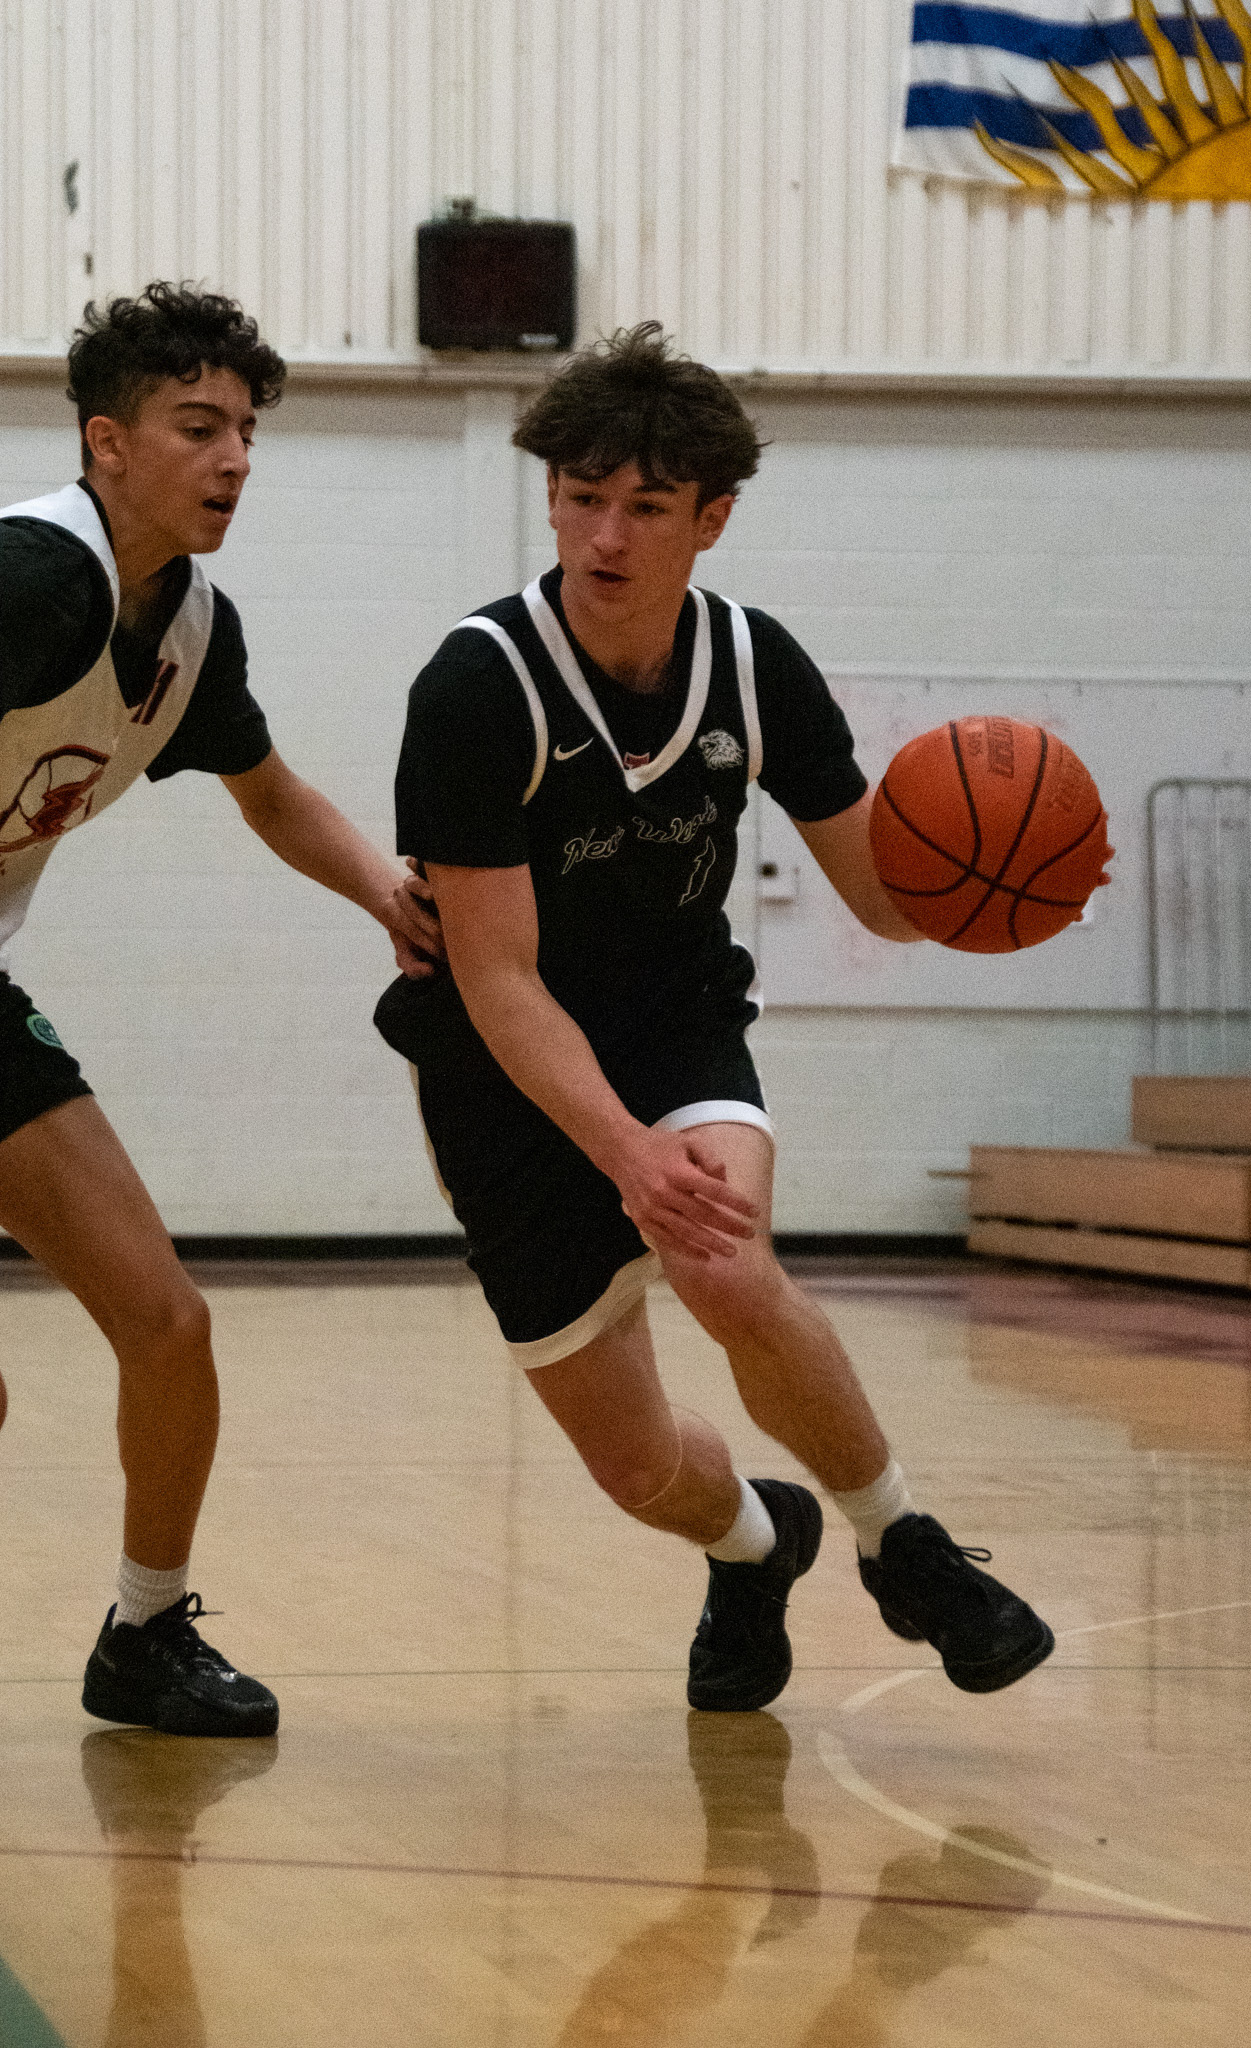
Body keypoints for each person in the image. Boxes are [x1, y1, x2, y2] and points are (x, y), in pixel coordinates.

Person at [377, 323, 1053, 1712]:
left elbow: (880, 897)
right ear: (551, 494)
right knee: (635, 1468)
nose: (605, 536)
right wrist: (624, 1153)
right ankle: (756, 1545)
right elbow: (500, 980)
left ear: (712, 518)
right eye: (582, 497)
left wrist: (994, 888)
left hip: (678, 1025)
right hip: (503, 1071)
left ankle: (905, 1545)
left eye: (646, 506)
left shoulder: (755, 666)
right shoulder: (476, 688)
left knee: (727, 1265)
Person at [0, 283, 440, 1737]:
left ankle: (144, 1634)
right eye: (199, 427)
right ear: (106, 441)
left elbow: (270, 792)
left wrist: (391, 900)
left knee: (168, 1324)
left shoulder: (192, 628)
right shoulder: (31, 578)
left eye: (247, 429)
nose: (236, 457)